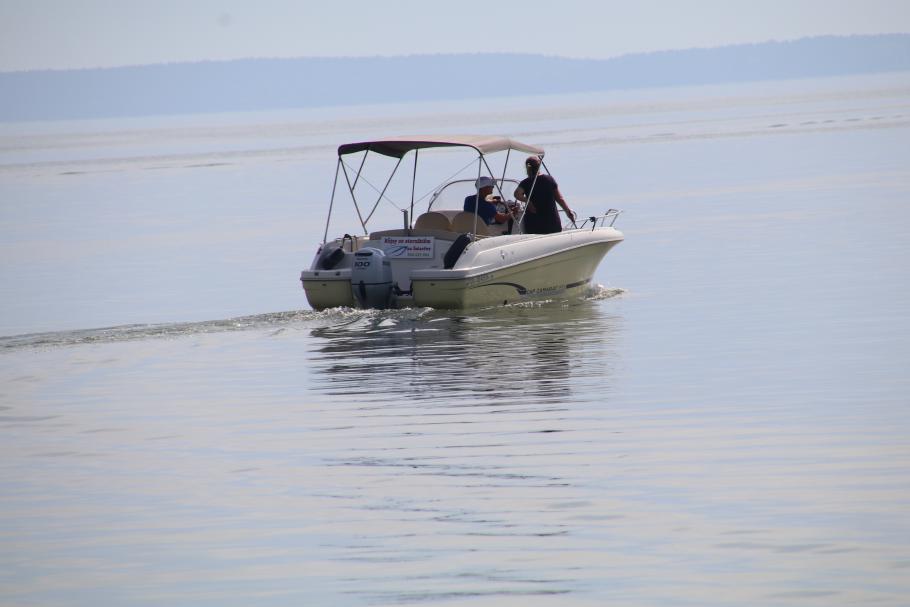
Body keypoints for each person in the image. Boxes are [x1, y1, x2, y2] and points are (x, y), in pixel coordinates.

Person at [513, 156, 575, 234]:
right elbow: (559, 198)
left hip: (533, 224)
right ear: (539, 167)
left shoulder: (525, 182)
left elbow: (517, 194)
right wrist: (568, 212)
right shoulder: (549, 179)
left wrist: (528, 201)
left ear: (527, 168)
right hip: (551, 223)